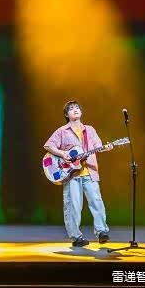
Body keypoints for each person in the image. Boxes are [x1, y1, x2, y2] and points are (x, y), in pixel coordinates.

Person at [44, 100, 111, 247]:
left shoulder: (90, 130)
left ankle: (101, 232)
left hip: (90, 172)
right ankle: (76, 237)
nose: (75, 110)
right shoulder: (62, 131)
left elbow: (98, 146)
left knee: (97, 202)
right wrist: (63, 154)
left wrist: (106, 147)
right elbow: (48, 145)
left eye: (77, 108)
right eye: (71, 108)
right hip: (71, 174)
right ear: (66, 114)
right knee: (73, 206)